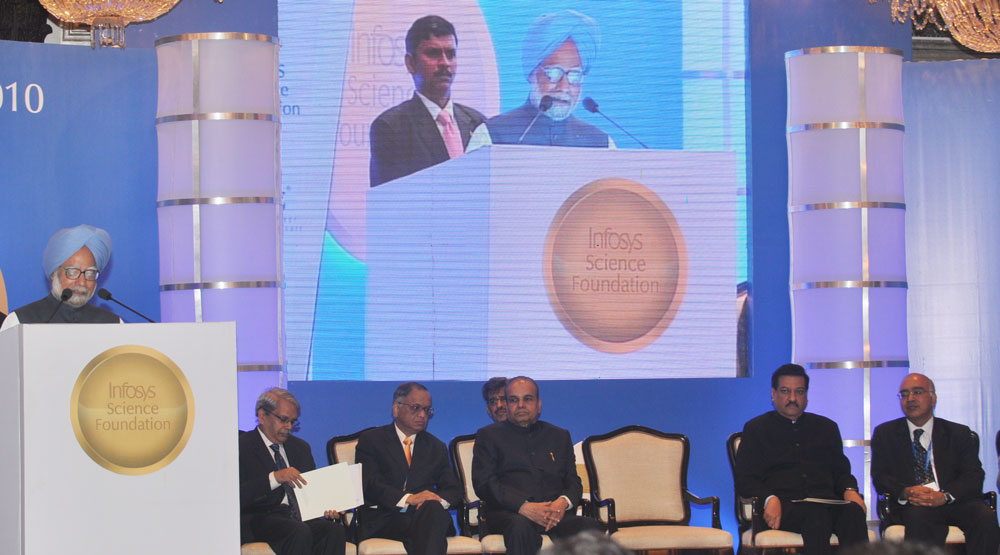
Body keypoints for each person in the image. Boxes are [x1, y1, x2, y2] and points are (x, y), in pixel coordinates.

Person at [734, 364, 869, 554]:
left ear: (806, 396)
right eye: (785, 391)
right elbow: (745, 479)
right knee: (816, 516)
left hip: (827, 503)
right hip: (784, 507)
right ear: (773, 394)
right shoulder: (756, 429)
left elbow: (841, 472)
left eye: (799, 392)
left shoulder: (826, 428)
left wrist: (850, 490)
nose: (792, 398)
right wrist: (768, 498)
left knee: (853, 512)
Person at [472, 376, 603, 555]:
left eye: (527, 399)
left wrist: (562, 504)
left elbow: (573, 482)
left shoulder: (559, 436)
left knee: (589, 529)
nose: (520, 405)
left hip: (556, 514)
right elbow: (484, 483)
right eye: (513, 400)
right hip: (511, 513)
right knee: (520, 528)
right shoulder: (488, 436)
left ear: (539, 404)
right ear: (508, 406)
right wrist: (523, 506)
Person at [871, 373, 1000, 554]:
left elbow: (974, 475)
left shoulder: (958, 433)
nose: (910, 399)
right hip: (914, 504)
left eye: (917, 392)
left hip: (954, 500)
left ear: (933, 398)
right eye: (904, 394)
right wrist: (906, 491)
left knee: (985, 517)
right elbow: (880, 476)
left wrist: (945, 496)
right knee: (920, 517)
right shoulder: (885, 433)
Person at [368, 15, 488, 186]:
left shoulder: (477, 123)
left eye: (451, 54)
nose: (445, 63)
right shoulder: (390, 127)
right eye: (433, 53)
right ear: (410, 63)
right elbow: (390, 203)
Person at [478, 10, 612, 148]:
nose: (564, 87)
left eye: (574, 75)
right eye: (554, 73)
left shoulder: (601, 143)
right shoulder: (491, 136)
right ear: (532, 73)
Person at [354, 382, 461, 555]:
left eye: (427, 410)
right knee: (429, 526)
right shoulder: (372, 441)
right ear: (396, 408)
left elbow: (453, 490)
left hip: (427, 517)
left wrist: (433, 500)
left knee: (432, 511)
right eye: (416, 408)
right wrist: (410, 499)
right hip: (387, 518)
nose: (422, 415)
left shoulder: (436, 446)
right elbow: (371, 485)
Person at [239, 388, 346, 555]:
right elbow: (238, 495)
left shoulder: (300, 448)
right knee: (298, 531)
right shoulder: (242, 447)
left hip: (296, 517)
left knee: (333, 531)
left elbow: (310, 492)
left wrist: (327, 507)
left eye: (293, 422)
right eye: (283, 420)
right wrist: (275, 478)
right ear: (262, 416)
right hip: (259, 517)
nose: (288, 427)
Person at [1, 224, 120, 331]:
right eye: (72, 272)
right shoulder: (20, 322)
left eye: (90, 273)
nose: (82, 282)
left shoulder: (114, 324)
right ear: (54, 273)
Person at [540, 530, 632, 555]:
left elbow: (574, 486)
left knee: (589, 525)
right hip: (527, 516)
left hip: (560, 513)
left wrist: (564, 501)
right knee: (525, 531)